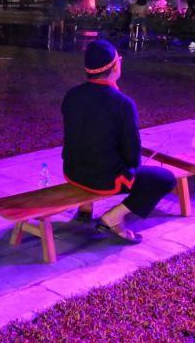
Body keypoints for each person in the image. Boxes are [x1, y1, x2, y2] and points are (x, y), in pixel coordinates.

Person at [62, 40, 176, 244]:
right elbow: (132, 153)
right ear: (115, 66)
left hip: (72, 171)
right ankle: (113, 217)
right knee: (165, 178)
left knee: (92, 150)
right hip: (102, 179)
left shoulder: (72, 95)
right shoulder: (122, 103)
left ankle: (85, 209)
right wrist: (133, 171)